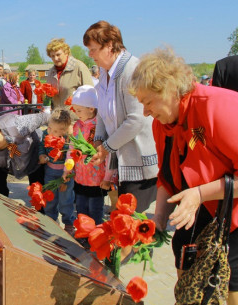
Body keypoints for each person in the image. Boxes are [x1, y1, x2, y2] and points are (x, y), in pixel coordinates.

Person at [128, 47, 238, 305]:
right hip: (217, 190)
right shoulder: (162, 124)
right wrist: (159, 216)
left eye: (148, 102)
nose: (146, 111)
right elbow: (168, 177)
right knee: (184, 247)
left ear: (170, 90)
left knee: (233, 270)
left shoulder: (218, 106)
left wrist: (198, 194)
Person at [83, 20, 158, 213]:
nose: (90, 55)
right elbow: (102, 108)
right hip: (118, 158)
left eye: (93, 50)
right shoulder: (104, 71)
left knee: (131, 223)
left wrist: (107, 147)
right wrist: (99, 139)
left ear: (109, 46)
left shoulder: (132, 70)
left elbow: (136, 120)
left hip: (137, 160)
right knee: (122, 221)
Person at [0, 112, 48, 197]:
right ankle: (0, 205)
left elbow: (47, 117)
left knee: (38, 192)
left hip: (33, 154)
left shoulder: (16, 124)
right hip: (3, 162)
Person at [67, 85, 116, 225]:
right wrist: (68, 167)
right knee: (81, 210)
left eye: (79, 110)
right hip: (80, 177)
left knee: (95, 211)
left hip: (97, 179)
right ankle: (84, 235)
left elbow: (109, 154)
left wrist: (108, 177)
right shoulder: (78, 126)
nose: (76, 113)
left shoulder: (101, 128)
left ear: (91, 108)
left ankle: (96, 238)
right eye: (75, 110)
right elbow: (72, 148)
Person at [38, 109, 75, 234]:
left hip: (65, 174)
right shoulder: (46, 134)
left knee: (66, 199)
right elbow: (41, 146)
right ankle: (51, 220)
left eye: (54, 131)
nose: (50, 132)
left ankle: (68, 222)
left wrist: (67, 176)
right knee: (50, 198)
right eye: (49, 128)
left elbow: (71, 158)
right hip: (50, 171)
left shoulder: (69, 139)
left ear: (63, 131)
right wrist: (41, 155)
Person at [46, 38, 94, 109]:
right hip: (57, 117)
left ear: (66, 52)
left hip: (76, 118)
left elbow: (90, 94)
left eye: (58, 55)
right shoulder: (51, 72)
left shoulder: (79, 67)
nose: (55, 58)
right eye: (52, 56)